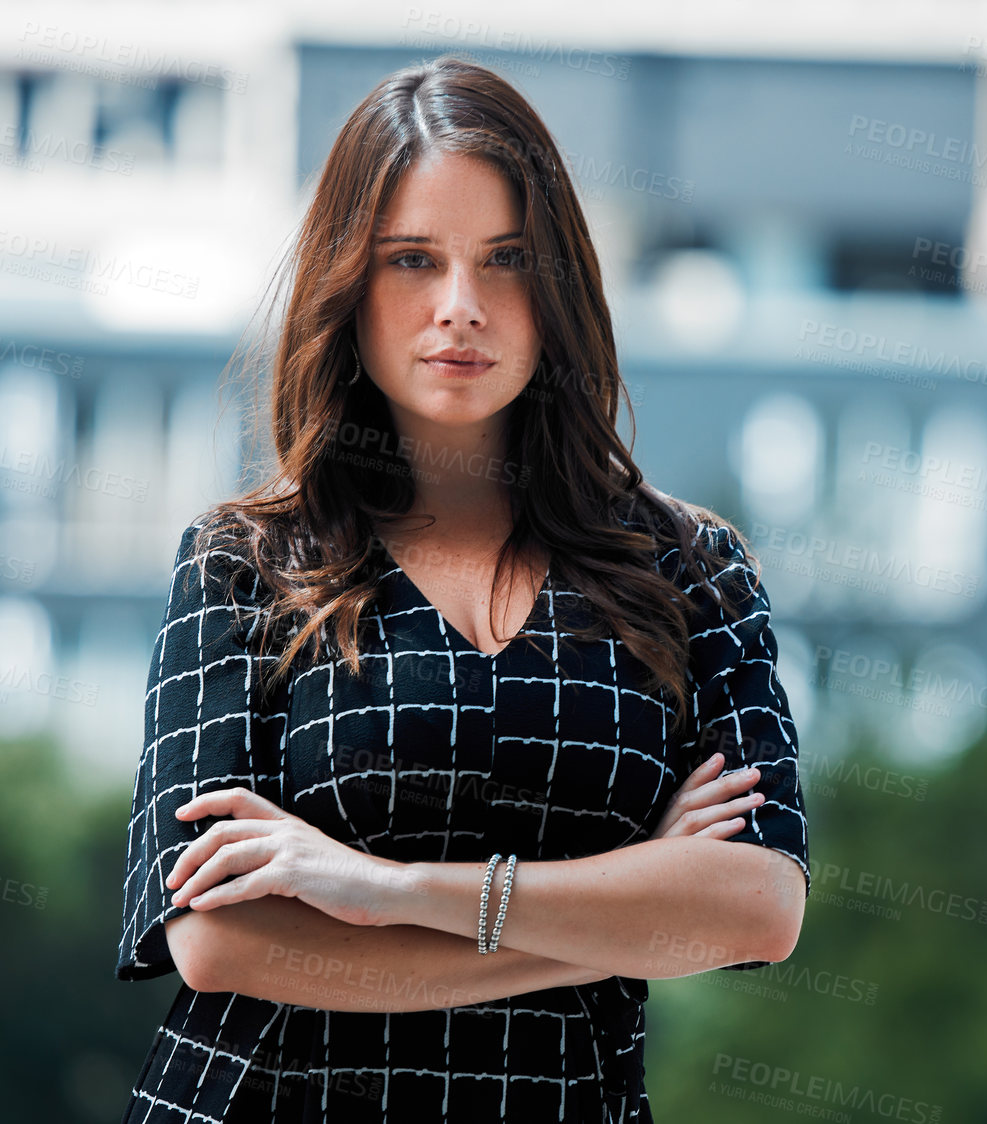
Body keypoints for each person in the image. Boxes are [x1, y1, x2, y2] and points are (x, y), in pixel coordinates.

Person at [113, 55, 810, 1123]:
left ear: (559, 282)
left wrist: (380, 888)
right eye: (410, 261)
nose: (460, 307)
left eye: (505, 260)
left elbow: (757, 906)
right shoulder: (241, 561)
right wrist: (610, 908)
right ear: (348, 285)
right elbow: (217, 938)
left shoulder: (690, 568)